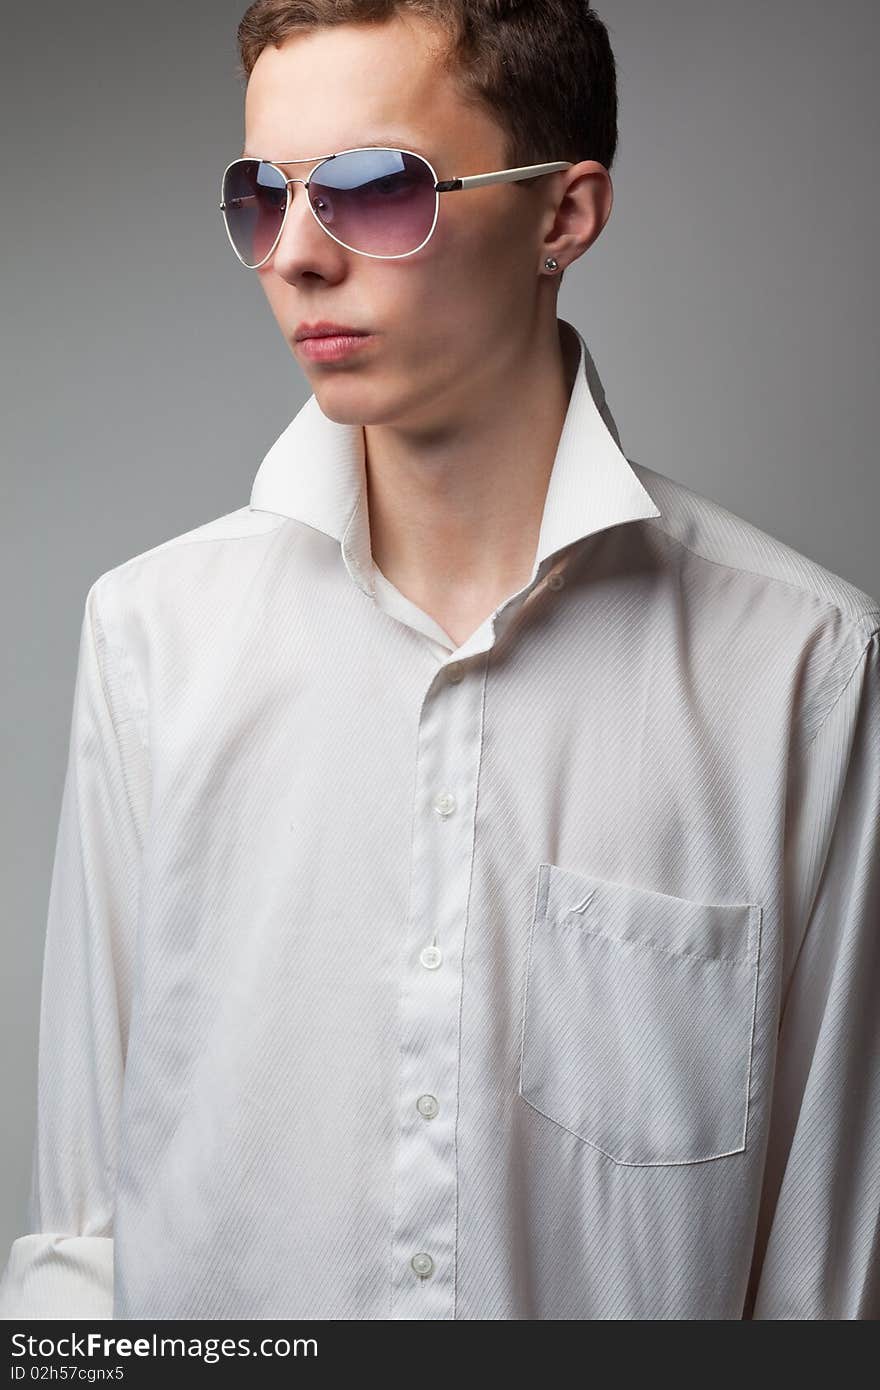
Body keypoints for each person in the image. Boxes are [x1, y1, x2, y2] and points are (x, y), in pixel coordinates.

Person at [1, 0, 878, 1321]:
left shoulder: (806, 672)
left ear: (564, 216)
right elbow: (77, 1243)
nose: (293, 256)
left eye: (369, 189)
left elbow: (825, 1282)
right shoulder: (152, 640)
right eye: (260, 196)